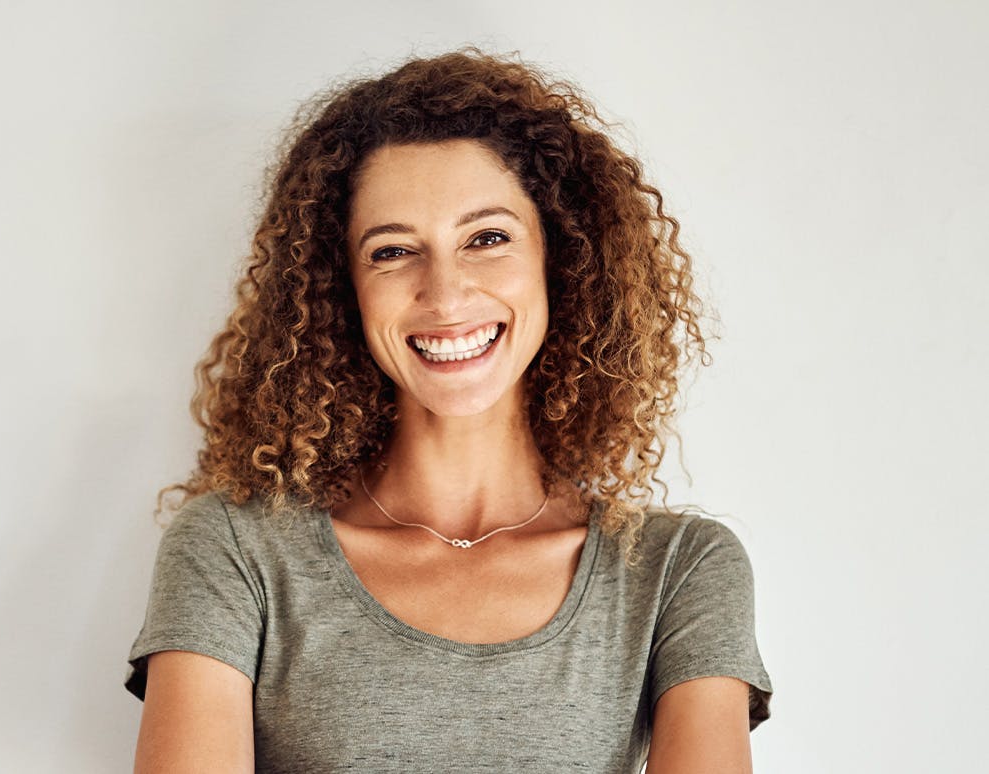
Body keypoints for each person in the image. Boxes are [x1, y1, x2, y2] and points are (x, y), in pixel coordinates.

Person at [124, 49, 772, 773]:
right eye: (393, 251)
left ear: (560, 262)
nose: (445, 293)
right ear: (346, 291)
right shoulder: (236, 551)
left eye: (487, 238)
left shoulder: (676, 571)